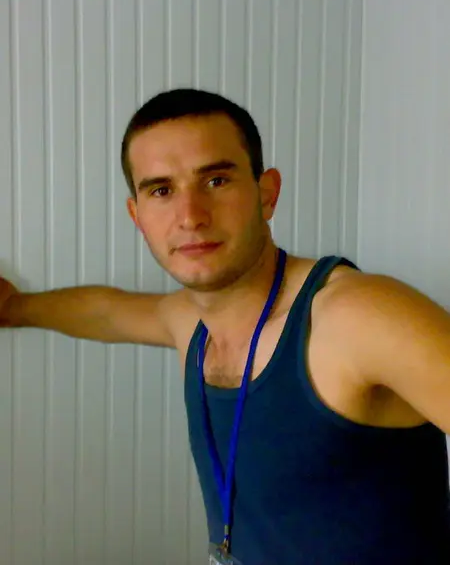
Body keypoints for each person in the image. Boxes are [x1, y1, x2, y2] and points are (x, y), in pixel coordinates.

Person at [1, 88, 449, 564]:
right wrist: (14, 307)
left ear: (266, 194)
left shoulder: (357, 317)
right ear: (137, 216)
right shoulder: (188, 322)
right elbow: (106, 313)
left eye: (216, 180)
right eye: (161, 191)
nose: (190, 217)